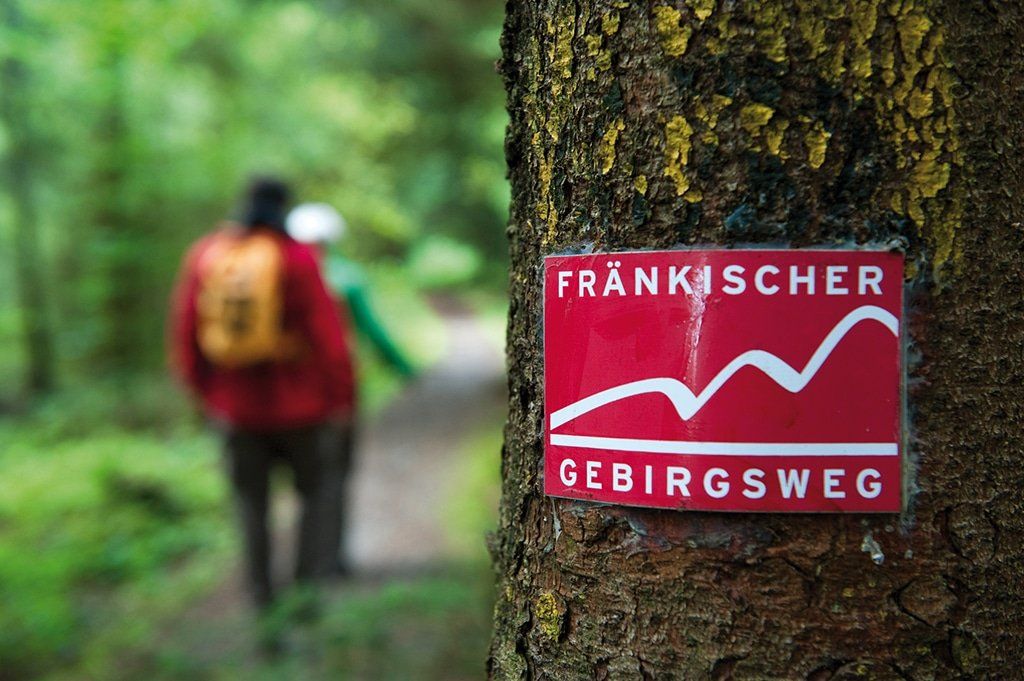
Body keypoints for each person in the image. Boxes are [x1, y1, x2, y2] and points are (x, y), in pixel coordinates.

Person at [168, 178, 356, 609]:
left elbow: (185, 336)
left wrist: (206, 395)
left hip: (235, 412)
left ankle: (261, 599)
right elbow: (329, 339)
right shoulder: (299, 258)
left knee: (251, 506)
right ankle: (305, 593)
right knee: (315, 496)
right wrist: (340, 398)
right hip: (303, 412)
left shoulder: (207, 255)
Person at [285, 202, 414, 574]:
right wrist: (403, 367)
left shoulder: (286, 274)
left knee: (304, 479)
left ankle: (302, 563)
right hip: (337, 396)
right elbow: (372, 331)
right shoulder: (346, 276)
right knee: (335, 475)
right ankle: (331, 560)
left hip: (291, 399)